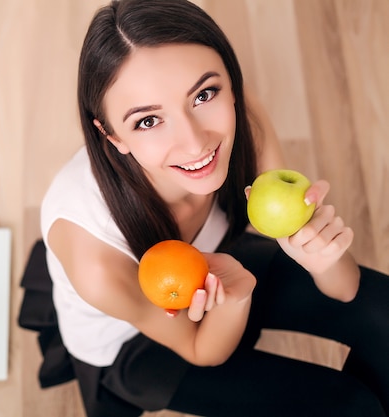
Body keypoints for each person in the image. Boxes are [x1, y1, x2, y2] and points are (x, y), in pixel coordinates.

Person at [27, 0, 389, 415]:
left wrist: (322, 257)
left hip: (217, 263)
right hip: (133, 344)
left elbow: (345, 289)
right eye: (147, 120)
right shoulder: (98, 261)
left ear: (230, 84)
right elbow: (203, 349)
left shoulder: (243, 118)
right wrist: (236, 293)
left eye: (204, 94)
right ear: (112, 135)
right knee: (350, 407)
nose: (196, 143)